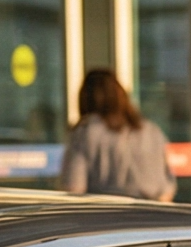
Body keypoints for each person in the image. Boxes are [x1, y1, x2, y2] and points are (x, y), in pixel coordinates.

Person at [59, 70, 173, 201]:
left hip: (107, 214)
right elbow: (167, 186)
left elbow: (74, 187)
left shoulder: (85, 131)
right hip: (153, 213)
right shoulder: (151, 130)